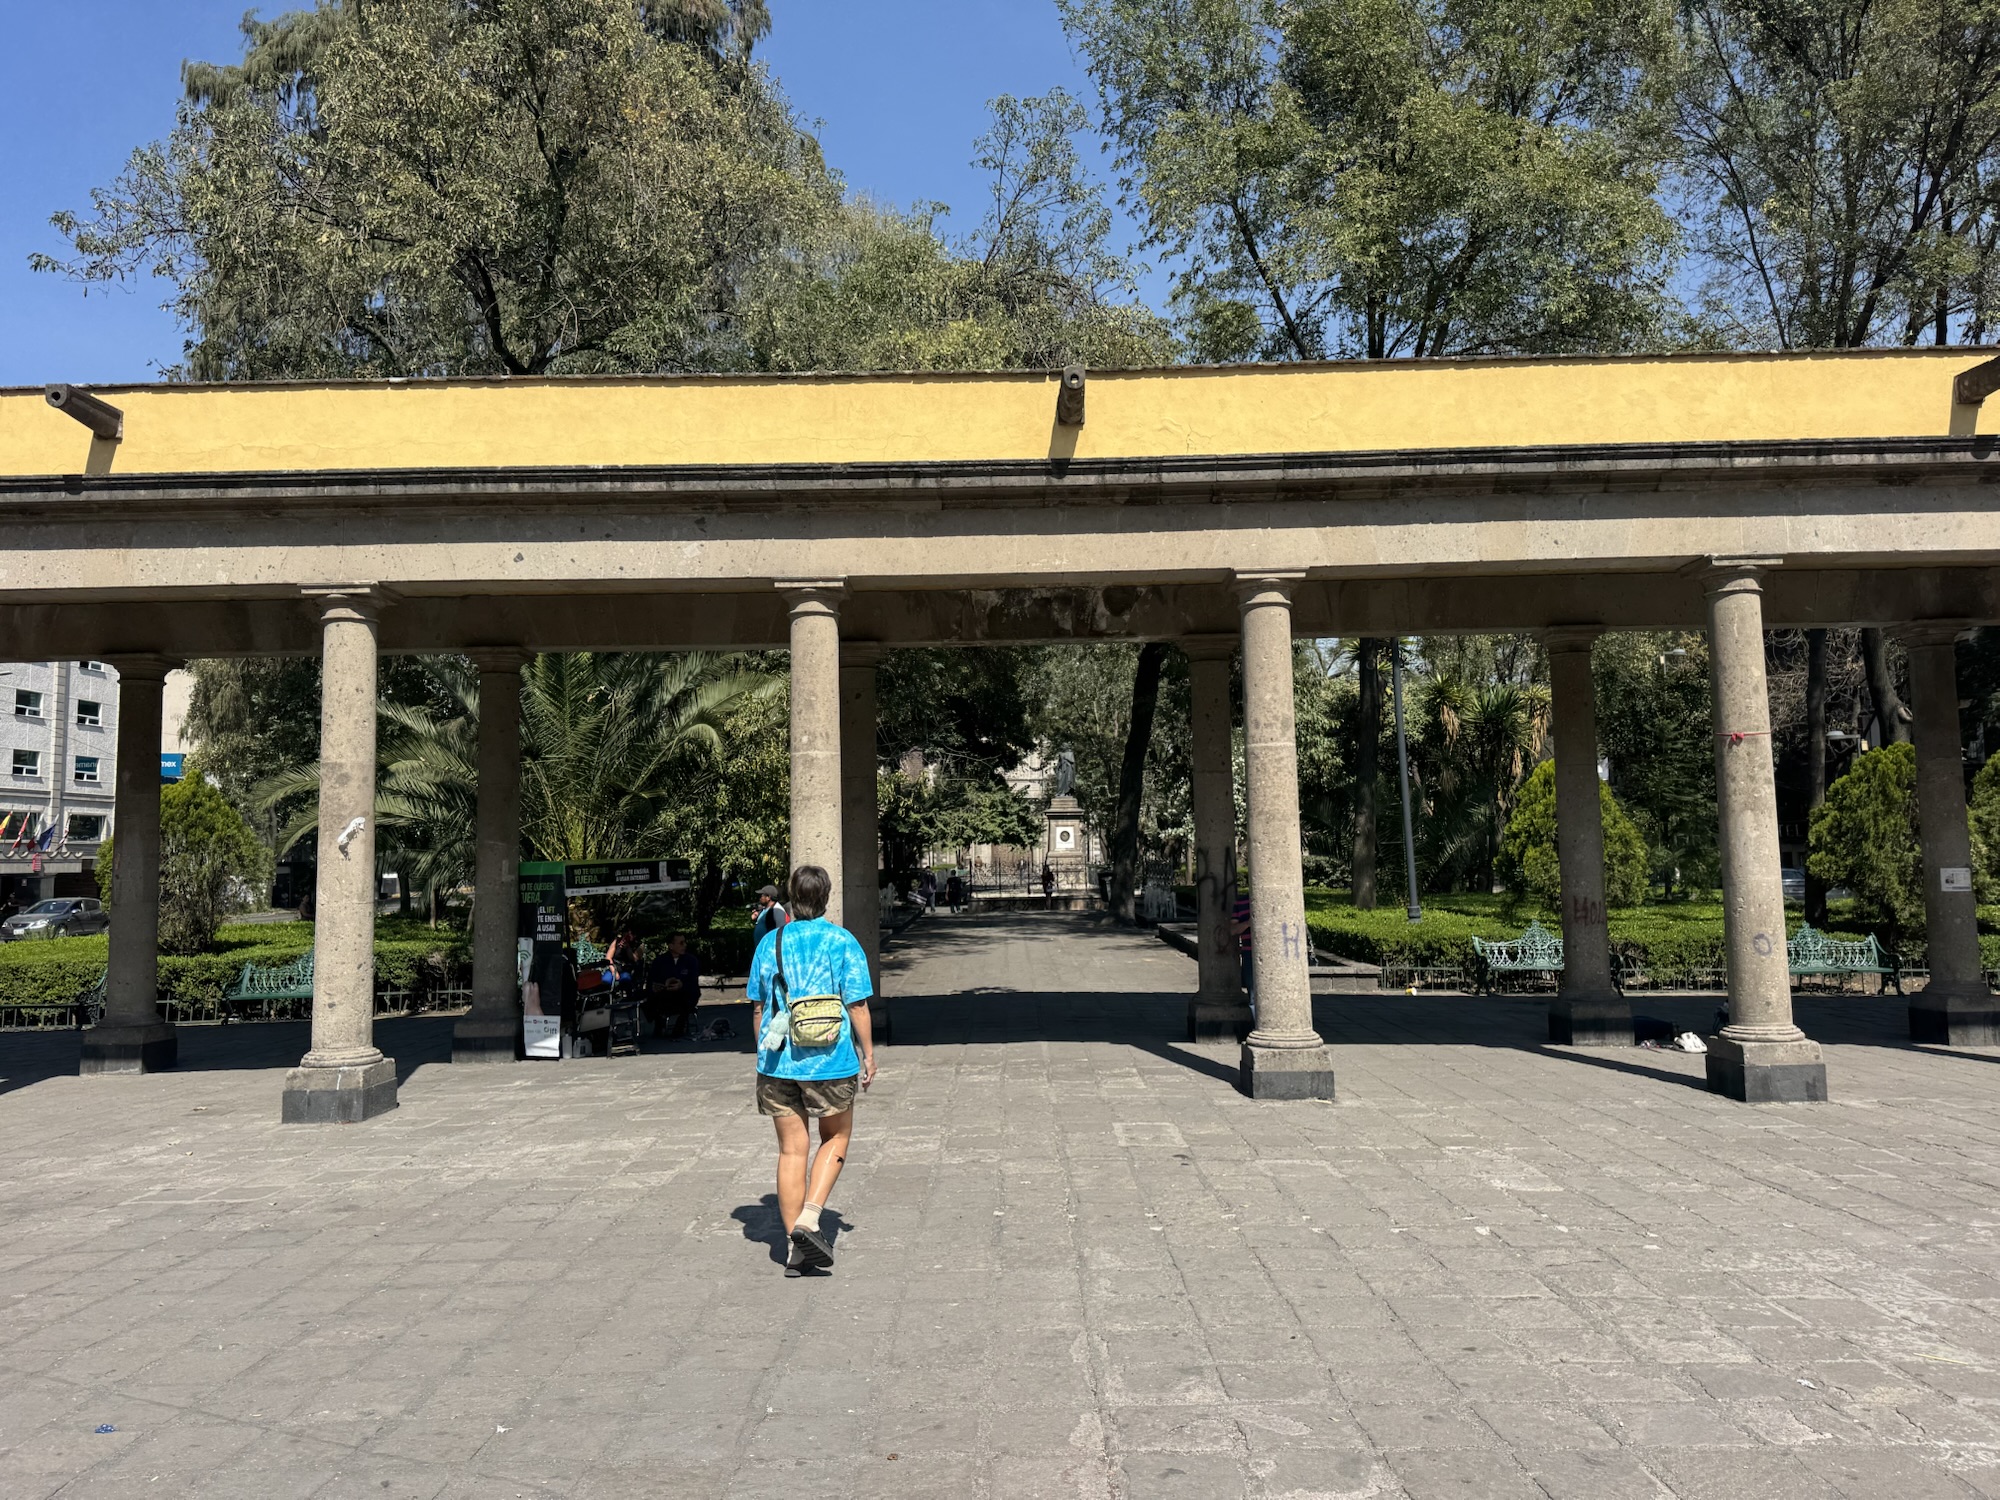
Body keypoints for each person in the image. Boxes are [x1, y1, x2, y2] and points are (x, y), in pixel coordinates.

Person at [747, 865, 876, 1277]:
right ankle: (810, 1216)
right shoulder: (842, 941)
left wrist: (764, 1054)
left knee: (791, 1150)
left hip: (778, 1062)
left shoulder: (770, 942)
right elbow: (857, 1004)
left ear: (790, 897)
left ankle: (794, 1250)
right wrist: (868, 1054)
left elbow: (758, 1007)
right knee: (836, 1136)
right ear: (826, 897)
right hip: (831, 1060)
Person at [645, 932, 702, 1038]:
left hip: (684, 994)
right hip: (665, 994)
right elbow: (652, 980)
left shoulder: (691, 960)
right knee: (645, 996)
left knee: (688, 994)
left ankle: (680, 1026)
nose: (684, 945)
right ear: (671, 946)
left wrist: (681, 984)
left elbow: (693, 981)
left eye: (684, 942)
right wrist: (661, 985)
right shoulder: (659, 961)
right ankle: (658, 1021)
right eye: (681, 943)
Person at [1231, 883, 1255, 1013]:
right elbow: (1233, 930)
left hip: (1275, 954)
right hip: (1249, 953)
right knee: (1253, 995)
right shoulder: (1240, 903)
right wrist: (1248, 923)